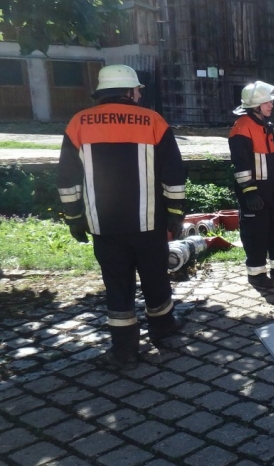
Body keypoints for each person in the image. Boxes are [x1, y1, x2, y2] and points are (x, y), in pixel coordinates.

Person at [56, 64, 186, 366]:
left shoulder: (79, 123)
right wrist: (176, 213)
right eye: (138, 89)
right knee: (155, 276)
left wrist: (74, 217)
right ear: (129, 91)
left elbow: (67, 177)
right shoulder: (153, 120)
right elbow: (174, 172)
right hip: (149, 222)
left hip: (104, 225)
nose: (140, 93)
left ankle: (124, 348)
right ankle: (163, 327)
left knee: (117, 283)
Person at [229, 80, 274, 289]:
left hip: (271, 189)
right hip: (254, 191)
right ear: (255, 106)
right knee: (255, 233)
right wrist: (249, 192)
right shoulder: (241, 128)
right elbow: (241, 165)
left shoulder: (266, 126)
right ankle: (256, 273)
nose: (271, 105)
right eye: (267, 102)